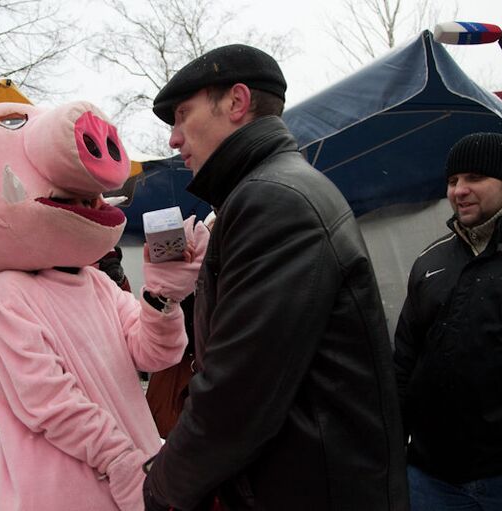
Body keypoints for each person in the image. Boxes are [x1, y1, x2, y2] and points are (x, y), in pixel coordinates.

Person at [142, 44, 409, 510]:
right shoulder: (269, 192)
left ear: (237, 102)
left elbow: (236, 397)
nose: (174, 139)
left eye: (183, 115)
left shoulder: (273, 202)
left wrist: (162, 487)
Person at [393, 132, 502, 510]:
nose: (459, 190)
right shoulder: (431, 261)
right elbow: (403, 361)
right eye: (452, 181)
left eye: (474, 178)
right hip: (431, 476)